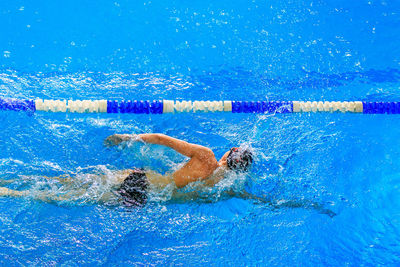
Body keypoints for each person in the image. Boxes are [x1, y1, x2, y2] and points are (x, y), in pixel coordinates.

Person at [0, 133, 254, 207]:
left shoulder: (206, 157)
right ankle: (10, 194)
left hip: (145, 181)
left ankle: (8, 183)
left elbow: (160, 138)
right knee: (70, 198)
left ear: (229, 152)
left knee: (70, 182)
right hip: (146, 200)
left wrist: (125, 138)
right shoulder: (227, 188)